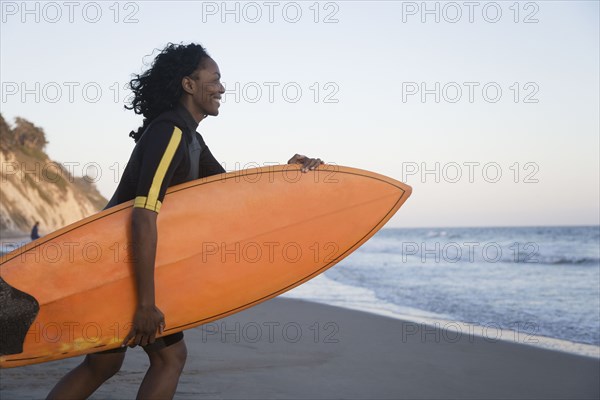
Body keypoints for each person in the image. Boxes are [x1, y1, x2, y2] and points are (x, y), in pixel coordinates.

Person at [46, 43, 323, 399]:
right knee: (169, 358)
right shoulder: (170, 133)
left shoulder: (191, 138)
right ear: (189, 84)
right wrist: (146, 303)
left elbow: (231, 195)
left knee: (104, 364)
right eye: (215, 79)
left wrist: (287, 175)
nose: (222, 88)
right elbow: (144, 214)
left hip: (117, 266)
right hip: (119, 269)